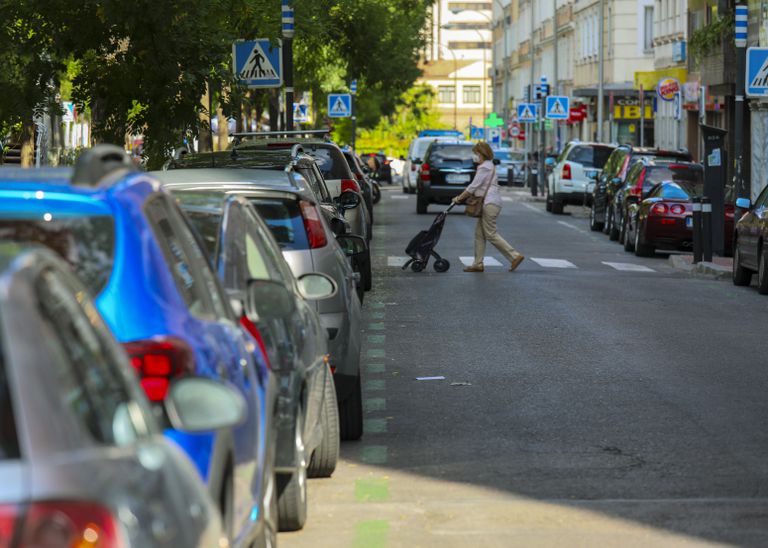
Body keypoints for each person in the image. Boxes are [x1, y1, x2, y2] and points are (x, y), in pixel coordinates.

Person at [452, 142, 525, 273]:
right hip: (490, 202)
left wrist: (458, 198)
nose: (475, 157)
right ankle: (477, 264)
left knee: (490, 234)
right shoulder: (488, 166)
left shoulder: (484, 167)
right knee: (479, 234)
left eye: (476, 154)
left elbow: (473, 187)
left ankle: (514, 256)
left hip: (489, 203)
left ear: (481, 154)